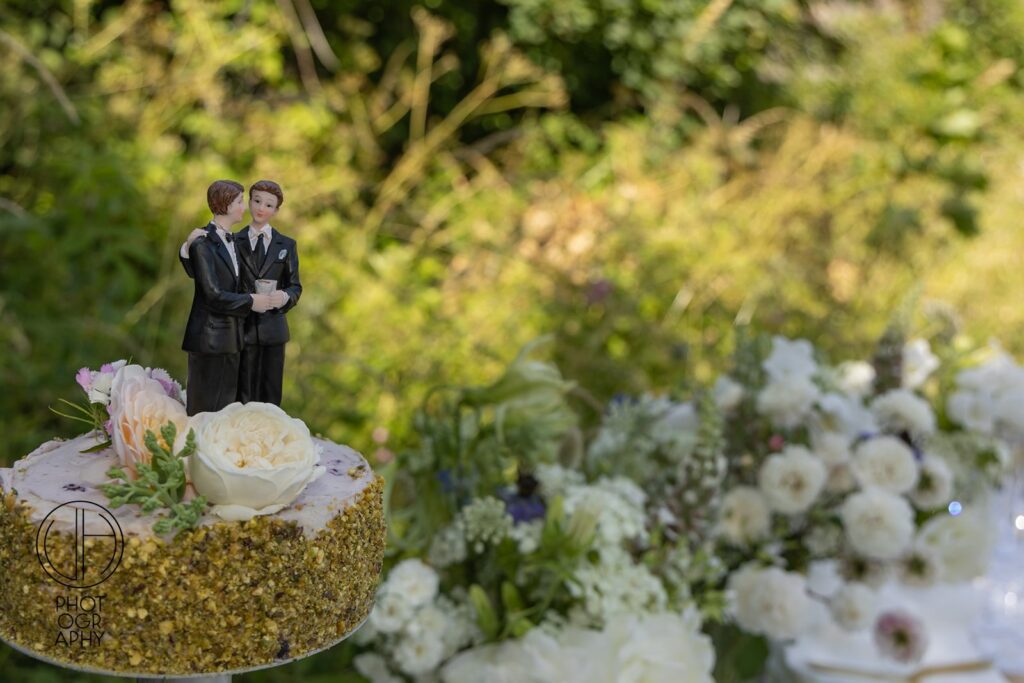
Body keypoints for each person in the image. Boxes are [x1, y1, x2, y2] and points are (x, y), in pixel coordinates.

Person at [180, 180, 299, 405]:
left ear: (277, 210)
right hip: (238, 329)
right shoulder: (233, 240)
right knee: (237, 397)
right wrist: (187, 248)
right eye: (254, 201)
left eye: (269, 205)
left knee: (270, 393)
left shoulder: (286, 245)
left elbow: (295, 286)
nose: (259, 208)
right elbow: (205, 274)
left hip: (271, 328)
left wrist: (284, 297)